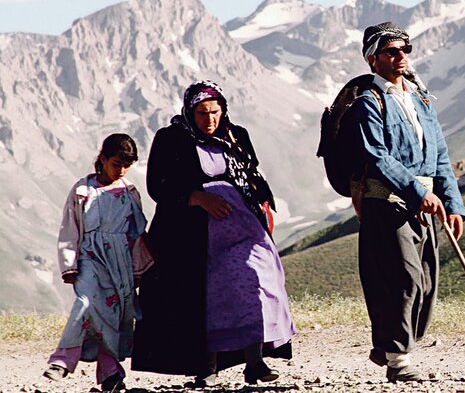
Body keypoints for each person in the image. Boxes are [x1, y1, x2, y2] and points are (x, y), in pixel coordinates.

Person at [132, 81, 296, 386]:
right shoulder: (171, 138)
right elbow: (157, 184)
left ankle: (255, 361)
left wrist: (262, 206)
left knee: (255, 281)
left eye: (214, 112)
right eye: (202, 113)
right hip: (191, 235)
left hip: (243, 229)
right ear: (189, 112)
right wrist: (196, 197)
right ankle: (205, 367)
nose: (209, 119)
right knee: (204, 294)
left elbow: (252, 174)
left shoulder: (236, 135)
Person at [349, 22, 465, 383]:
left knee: (427, 283)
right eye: (391, 51)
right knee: (404, 279)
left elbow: (440, 155)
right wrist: (418, 192)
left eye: (405, 49)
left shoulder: (421, 99)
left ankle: (387, 343)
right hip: (387, 205)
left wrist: (453, 204)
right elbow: (378, 157)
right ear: (373, 59)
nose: (401, 56)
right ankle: (398, 359)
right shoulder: (368, 103)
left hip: (424, 205)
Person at [43, 133, 147, 392]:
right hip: (89, 257)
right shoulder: (83, 191)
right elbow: (70, 226)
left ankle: (111, 374)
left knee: (113, 315)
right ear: (102, 159)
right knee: (86, 302)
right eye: (116, 164)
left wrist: (138, 268)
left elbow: (136, 234)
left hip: (120, 261)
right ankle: (62, 360)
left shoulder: (129, 193)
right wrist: (69, 263)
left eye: (126, 165)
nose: (121, 170)